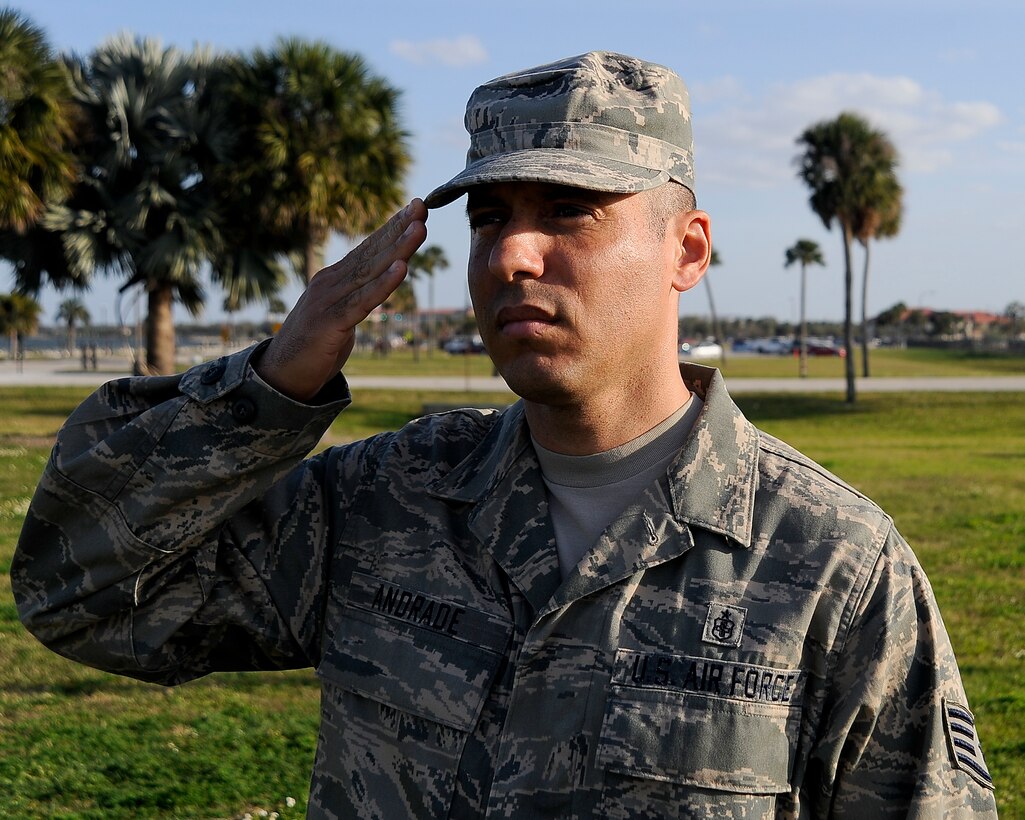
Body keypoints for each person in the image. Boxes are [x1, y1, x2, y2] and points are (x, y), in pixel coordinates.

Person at [12, 51, 996, 819]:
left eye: (567, 209)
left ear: (683, 250)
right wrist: (271, 383)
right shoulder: (384, 502)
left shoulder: (831, 562)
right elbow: (82, 595)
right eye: (489, 217)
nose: (510, 253)